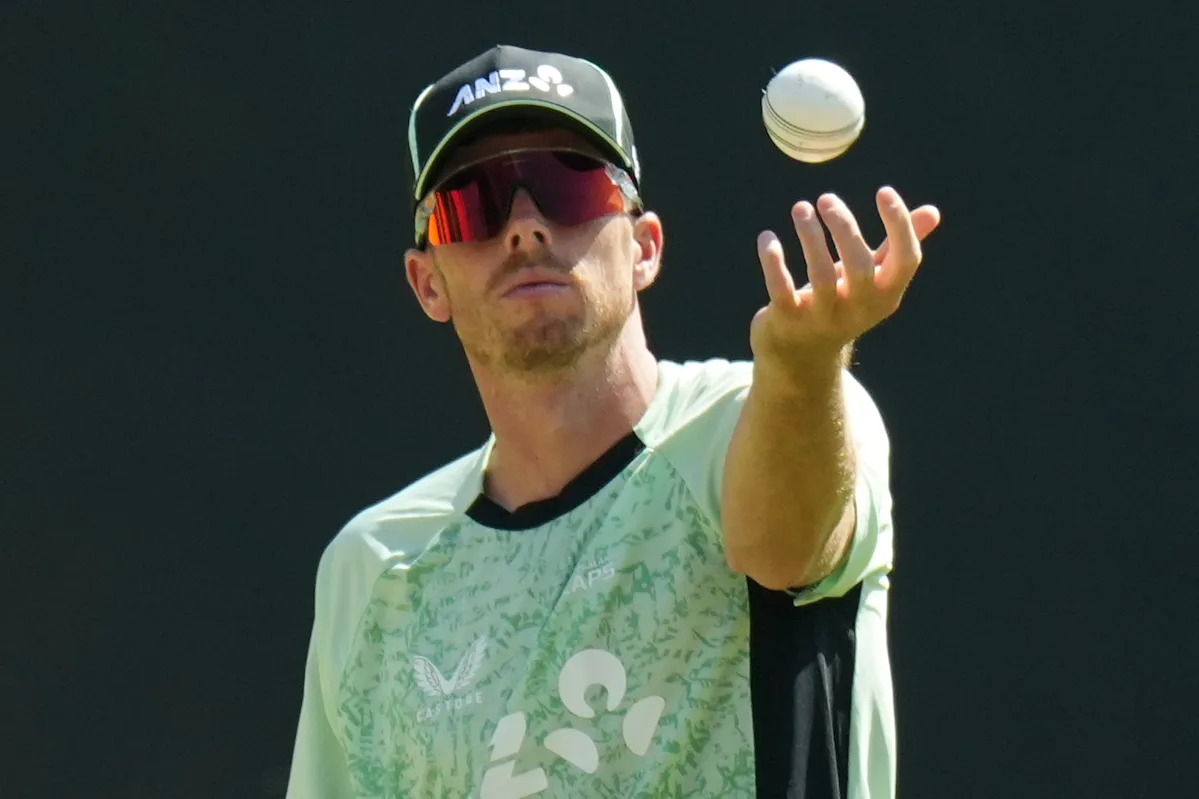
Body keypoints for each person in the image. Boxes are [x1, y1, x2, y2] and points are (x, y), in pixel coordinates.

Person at [286, 44, 941, 799]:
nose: (525, 227)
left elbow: (784, 549)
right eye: (475, 202)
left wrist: (804, 362)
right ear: (426, 282)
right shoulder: (374, 567)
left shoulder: (763, 416)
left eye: (567, 186)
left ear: (644, 248)